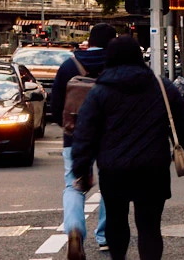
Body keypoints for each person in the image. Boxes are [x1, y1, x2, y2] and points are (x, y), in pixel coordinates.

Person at [69, 36, 184, 260]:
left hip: (113, 169)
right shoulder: (161, 86)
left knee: (116, 221)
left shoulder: (100, 91)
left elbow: (85, 132)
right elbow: (183, 121)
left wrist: (82, 168)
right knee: (149, 226)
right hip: (153, 167)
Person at [48, 23, 116, 259]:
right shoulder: (115, 65)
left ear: (90, 41)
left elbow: (56, 105)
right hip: (110, 136)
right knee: (110, 185)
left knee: (73, 185)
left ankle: (75, 229)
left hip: (75, 136)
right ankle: (106, 236)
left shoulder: (69, 65)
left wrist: (69, 128)